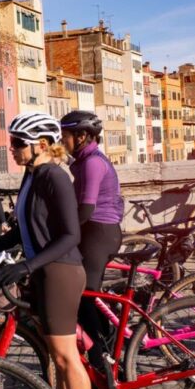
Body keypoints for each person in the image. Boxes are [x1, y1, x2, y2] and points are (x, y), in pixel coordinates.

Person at [0, 112, 99, 389]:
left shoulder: (54, 176)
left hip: (60, 271)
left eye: (17, 144)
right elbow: (23, 231)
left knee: (66, 357)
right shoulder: (34, 175)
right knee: (57, 358)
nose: (11, 149)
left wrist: (26, 265)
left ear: (41, 145)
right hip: (46, 271)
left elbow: (70, 235)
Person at [60, 110, 124, 372]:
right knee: (90, 296)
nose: (62, 142)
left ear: (82, 136)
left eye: (65, 137)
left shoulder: (92, 163)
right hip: (98, 231)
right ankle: (106, 349)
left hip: (99, 232)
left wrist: (61, 232)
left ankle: (103, 364)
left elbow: (85, 210)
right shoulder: (86, 159)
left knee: (84, 297)